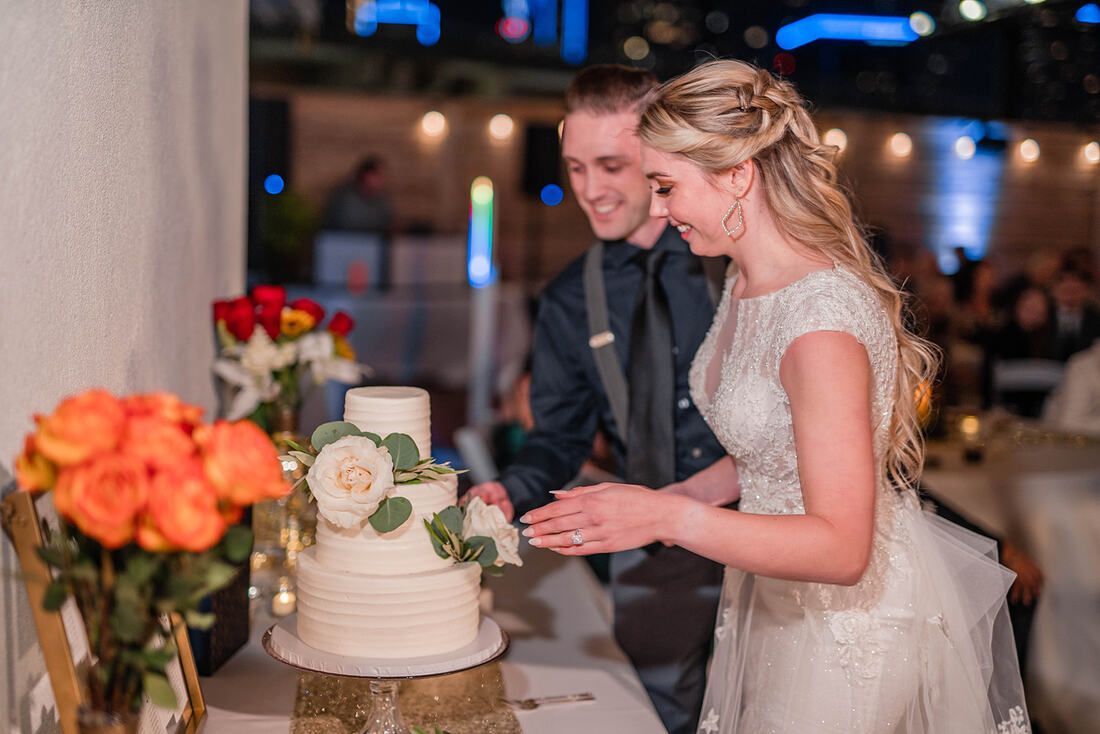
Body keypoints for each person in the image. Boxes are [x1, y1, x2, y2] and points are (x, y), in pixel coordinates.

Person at [523, 60, 1029, 732]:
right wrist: (680, 497)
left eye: (668, 186)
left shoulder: (818, 323)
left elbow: (843, 550)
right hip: (776, 598)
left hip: (845, 628)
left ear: (737, 174)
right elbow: (777, 445)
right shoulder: (743, 278)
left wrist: (665, 521)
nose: (662, 208)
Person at [464, 65, 727, 734]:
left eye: (611, 165)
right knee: (657, 717)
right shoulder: (567, 298)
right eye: (576, 168)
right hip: (651, 556)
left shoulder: (730, 262)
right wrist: (511, 488)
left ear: (660, 155)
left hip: (773, 533)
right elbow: (560, 435)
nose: (589, 191)